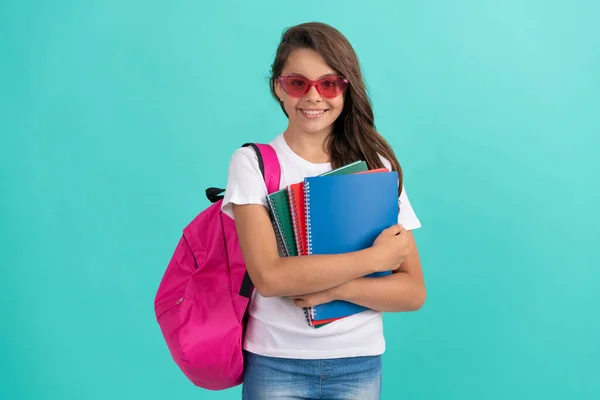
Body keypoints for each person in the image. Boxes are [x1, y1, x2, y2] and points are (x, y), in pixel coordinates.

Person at [221, 21, 426, 400]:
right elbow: (270, 278)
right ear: (278, 89)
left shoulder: (373, 166)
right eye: (298, 83)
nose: (314, 96)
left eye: (328, 83)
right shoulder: (253, 164)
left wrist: (331, 287)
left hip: (359, 362)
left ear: (346, 90)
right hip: (275, 361)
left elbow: (412, 291)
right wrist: (375, 258)